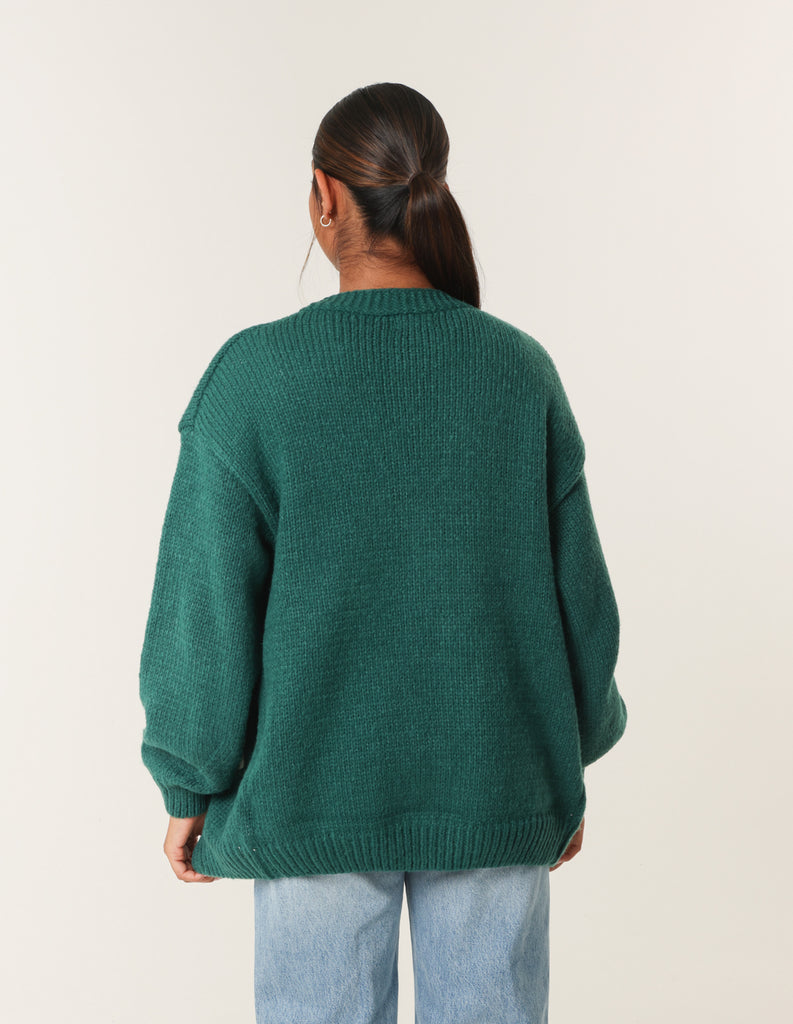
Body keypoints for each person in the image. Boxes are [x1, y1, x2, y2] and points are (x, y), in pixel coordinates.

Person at [139, 81, 627, 1024]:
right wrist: (561, 763)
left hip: (310, 797)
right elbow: (583, 609)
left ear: (324, 196)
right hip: (494, 789)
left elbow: (204, 607)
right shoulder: (517, 372)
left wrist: (188, 777)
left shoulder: (254, 378)